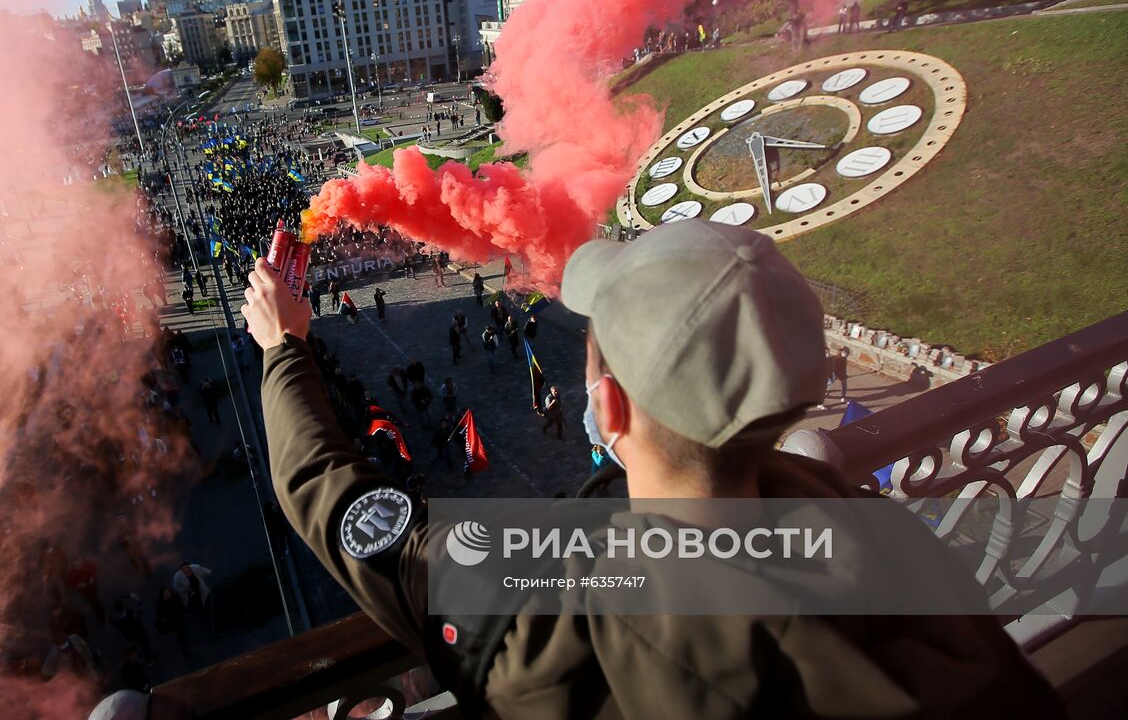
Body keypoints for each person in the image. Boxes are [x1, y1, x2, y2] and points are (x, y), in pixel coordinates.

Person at [238, 224, 1062, 719]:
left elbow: (340, 504)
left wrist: (284, 348)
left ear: (613, 409)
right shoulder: (902, 557)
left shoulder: (537, 611)